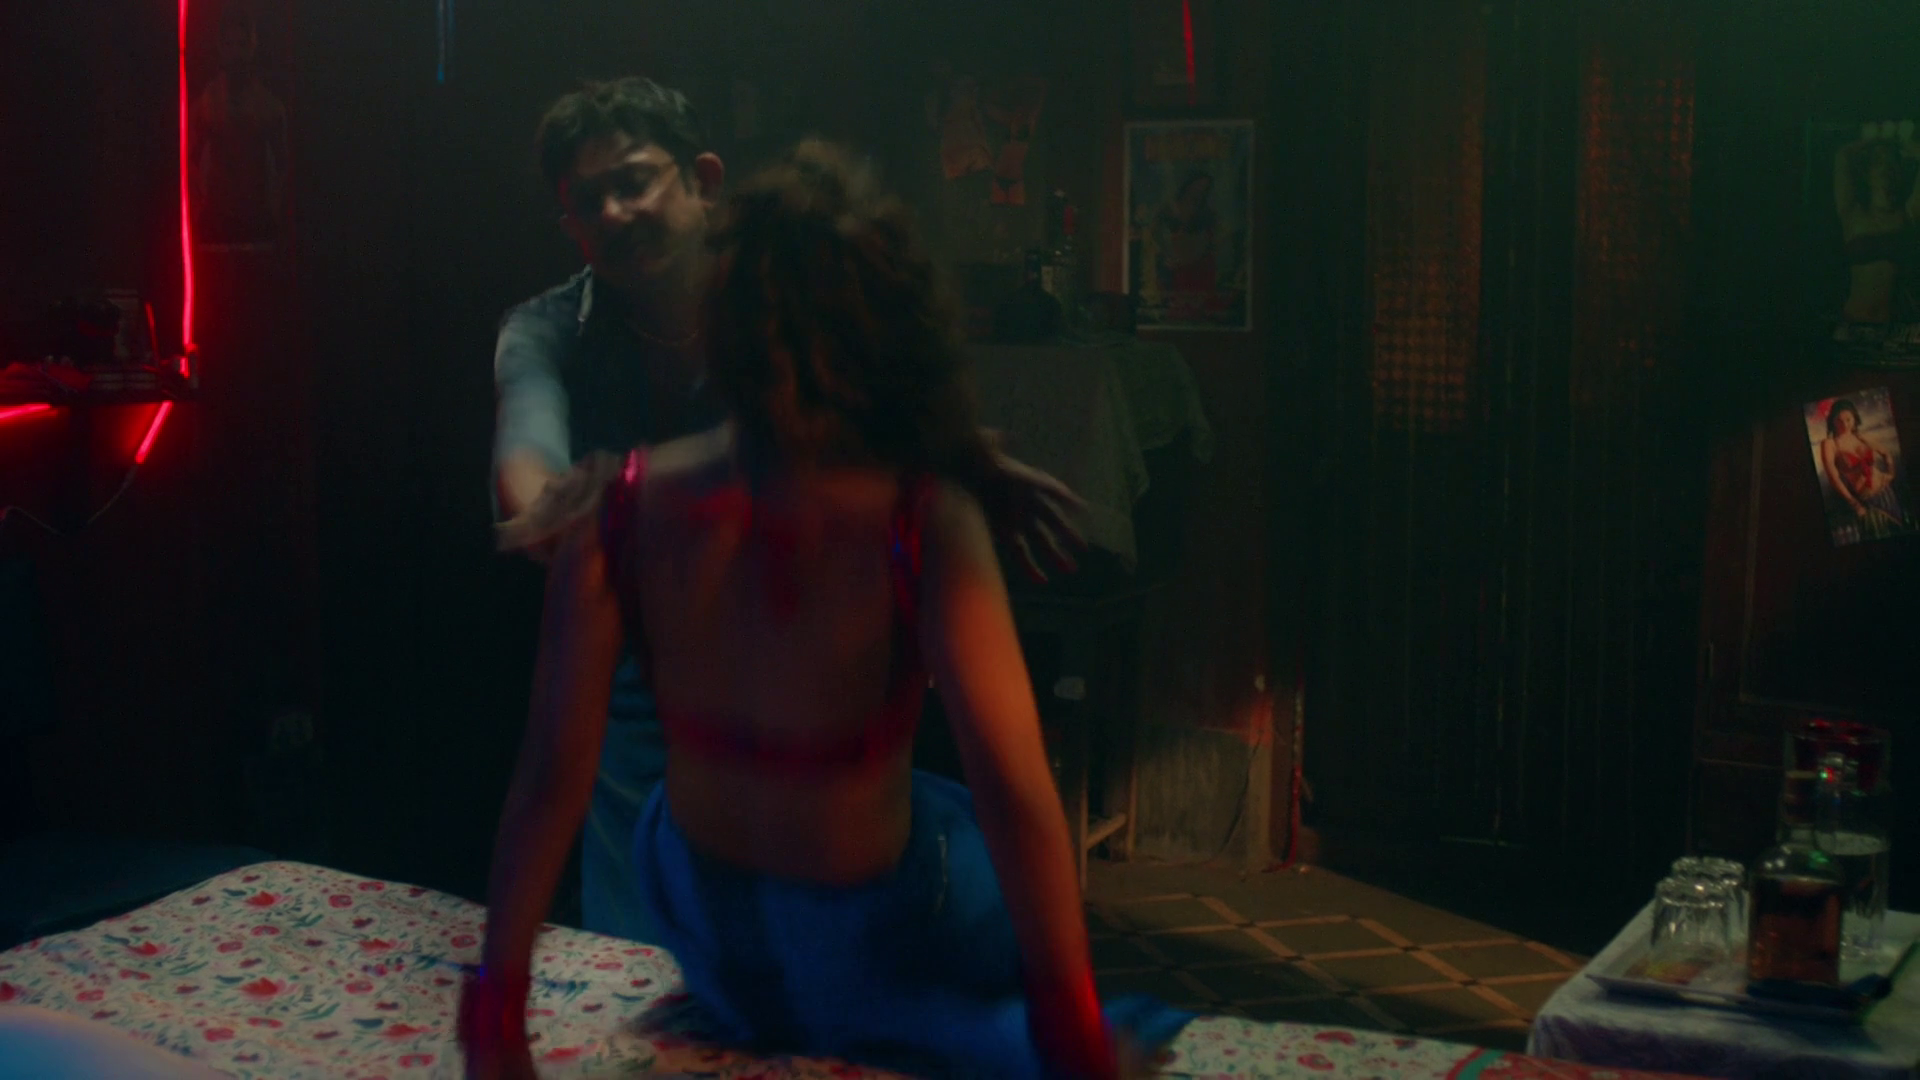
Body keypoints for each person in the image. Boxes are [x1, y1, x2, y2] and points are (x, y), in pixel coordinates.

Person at [464, 141, 1192, 1079]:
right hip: (856, 939)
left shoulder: (619, 506)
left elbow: (548, 779)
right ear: (885, 340)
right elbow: (1017, 795)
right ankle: (939, 1019)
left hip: (700, 918)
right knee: (970, 835)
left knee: (931, 808)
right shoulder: (922, 518)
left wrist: (497, 1009)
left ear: (716, 326)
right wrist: (1075, 1035)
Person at [491, 78, 1085, 945]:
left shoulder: (780, 294)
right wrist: (582, 502)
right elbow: (529, 463)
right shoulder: (545, 329)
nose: (613, 213)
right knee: (642, 941)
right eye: (588, 201)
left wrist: (955, 454)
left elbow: (881, 384)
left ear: (703, 178)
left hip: (810, 639)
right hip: (651, 649)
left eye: (633, 182)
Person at [1833, 126, 1920, 326]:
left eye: (1891, 164)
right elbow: (1842, 156)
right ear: (1867, 174)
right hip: (1853, 322)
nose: (1885, 169)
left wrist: (1898, 141)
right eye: (1878, 162)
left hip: (1892, 326)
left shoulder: (1908, 216)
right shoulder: (1851, 214)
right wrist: (1878, 140)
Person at [1819, 398, 1906, 537]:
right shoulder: (1829, 444)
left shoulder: (1861, 437)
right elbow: (1833, 478)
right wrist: (1855, 505)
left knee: (1902, 534)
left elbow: (1886, 453)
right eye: (1839, 420)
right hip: (1867, 500)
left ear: (1854, 419)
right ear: (1832, 421)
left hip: (1886, 492)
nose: (1844, 424)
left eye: (1848, 419)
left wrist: (1891, 473)